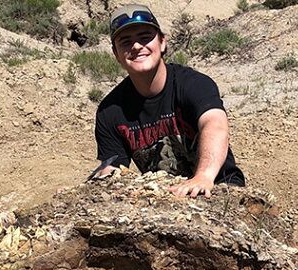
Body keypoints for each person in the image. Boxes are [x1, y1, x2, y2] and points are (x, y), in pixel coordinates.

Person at [92, 4, 245, 198]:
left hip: (217, 187)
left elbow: (215, 124)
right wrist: (97, 183)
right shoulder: (110, 111)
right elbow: (114, 167)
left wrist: (203, 176)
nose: (137, 46)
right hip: (165, 197)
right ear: (116, 54)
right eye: (125, 41)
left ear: (162, 42)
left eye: (145, 37)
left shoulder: (193, 84)